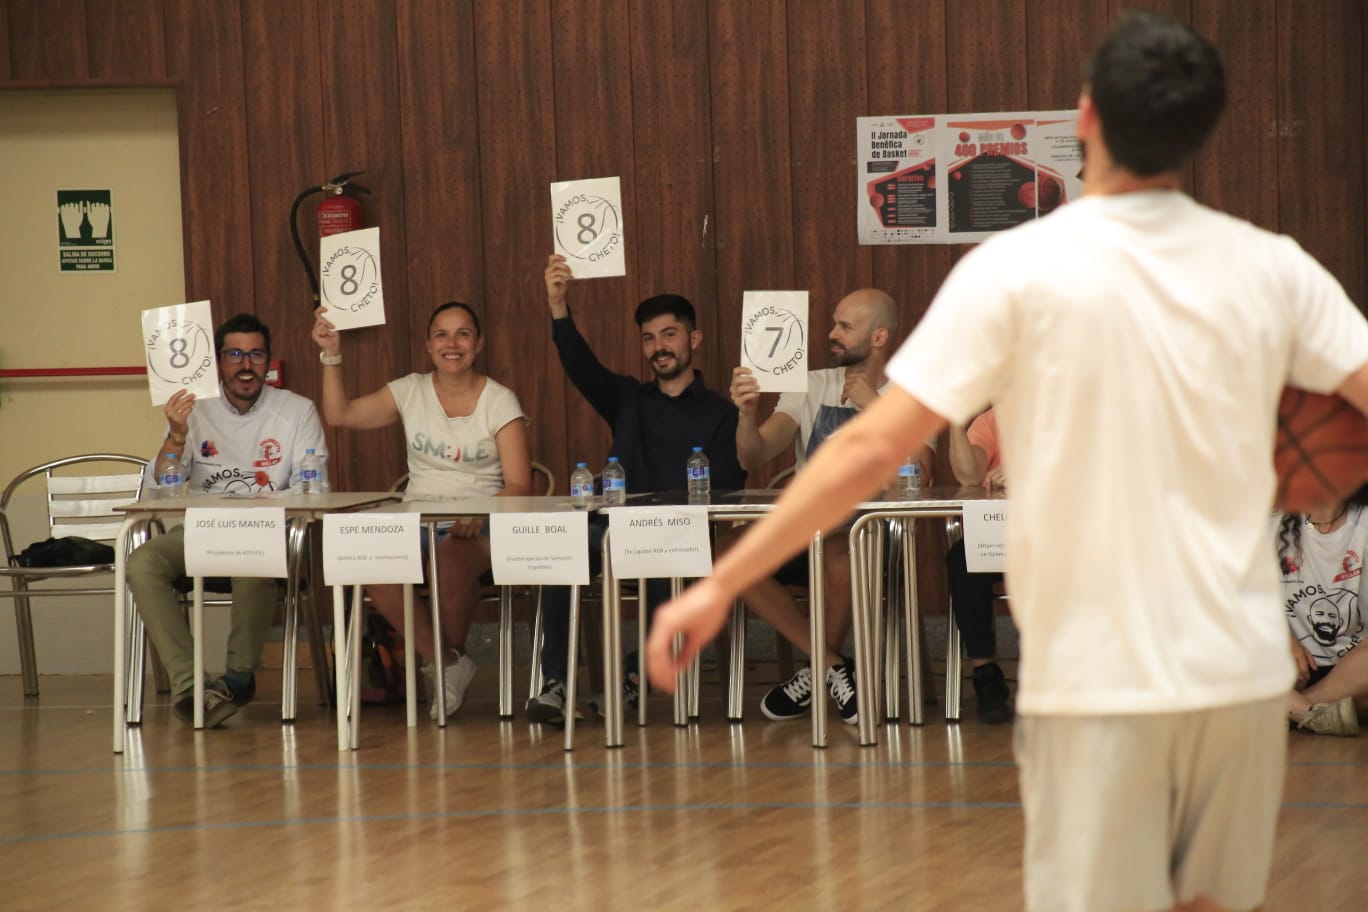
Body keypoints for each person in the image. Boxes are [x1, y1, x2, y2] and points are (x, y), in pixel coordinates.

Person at [647, 11, 1368, 912]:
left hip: (1096, 668)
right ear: (1201, 132)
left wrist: (725, 581)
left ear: (1086, 118)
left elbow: (872, 444)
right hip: (1235, 665)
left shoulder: (1017, 270)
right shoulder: (1275, 270)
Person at [525, 254, 744, 725]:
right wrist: (558, 305)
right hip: (611, 530)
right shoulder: (627, 398)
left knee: (668, 558)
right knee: (562, 548)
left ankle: (633, 674)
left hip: (679, 536)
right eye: (648, 338)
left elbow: (728, 487)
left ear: (693, 339)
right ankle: (556, 683)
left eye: (669, 334)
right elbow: (581, 366)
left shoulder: (721, 413)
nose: (658, 347)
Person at [312, 301, 532, 719]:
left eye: (463, 334)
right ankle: (448, 663)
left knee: (449, 558)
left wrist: (480, 513)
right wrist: (331, 354)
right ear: (428, 345)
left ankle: (443, 664)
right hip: (416, 521)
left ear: (479, 343)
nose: (452, 344)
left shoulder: (500, 401)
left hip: (480, 526)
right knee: (373, 560)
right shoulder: (410, 389)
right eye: (442, 335)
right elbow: (340, 415)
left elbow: (521, 484)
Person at [728, 288, 932, 725]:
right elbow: (755, 455)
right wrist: (746, 415)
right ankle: (830, 665)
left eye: (844, 326)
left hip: (874, 535)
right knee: (727, 550)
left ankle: (817, 669)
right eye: (834, 323)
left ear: (879, 337)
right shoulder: (811, 384)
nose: (830, 333)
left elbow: (919, 477)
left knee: (839, 548)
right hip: (806, 530)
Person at [128, 313, 327, 728]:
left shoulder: (297, 410)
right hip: (200, 531)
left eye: (255, 354)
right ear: (219, 361)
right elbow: (160, 489)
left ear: (268, 362)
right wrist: (176, 435)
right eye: (235, 354)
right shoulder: (192, 409)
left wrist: (256, 512)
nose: (245, 364)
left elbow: (315, 488)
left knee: (250, 559)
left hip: (265, 533)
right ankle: (191, 687)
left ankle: (237, 680)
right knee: (142, 562)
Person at [1276, 483, 1368, 736]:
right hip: (1292, 668)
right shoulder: (1271, 521)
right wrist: (1281, 638)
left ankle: (1293, 709)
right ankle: (1312, 712)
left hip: (1351, 675)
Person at [945, 408, 1013, 722]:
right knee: (963, 560)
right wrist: (956, 421)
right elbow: (970, 477)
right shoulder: (993, 420)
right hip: (1003, 532)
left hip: (1064, 533)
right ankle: (985, 673)